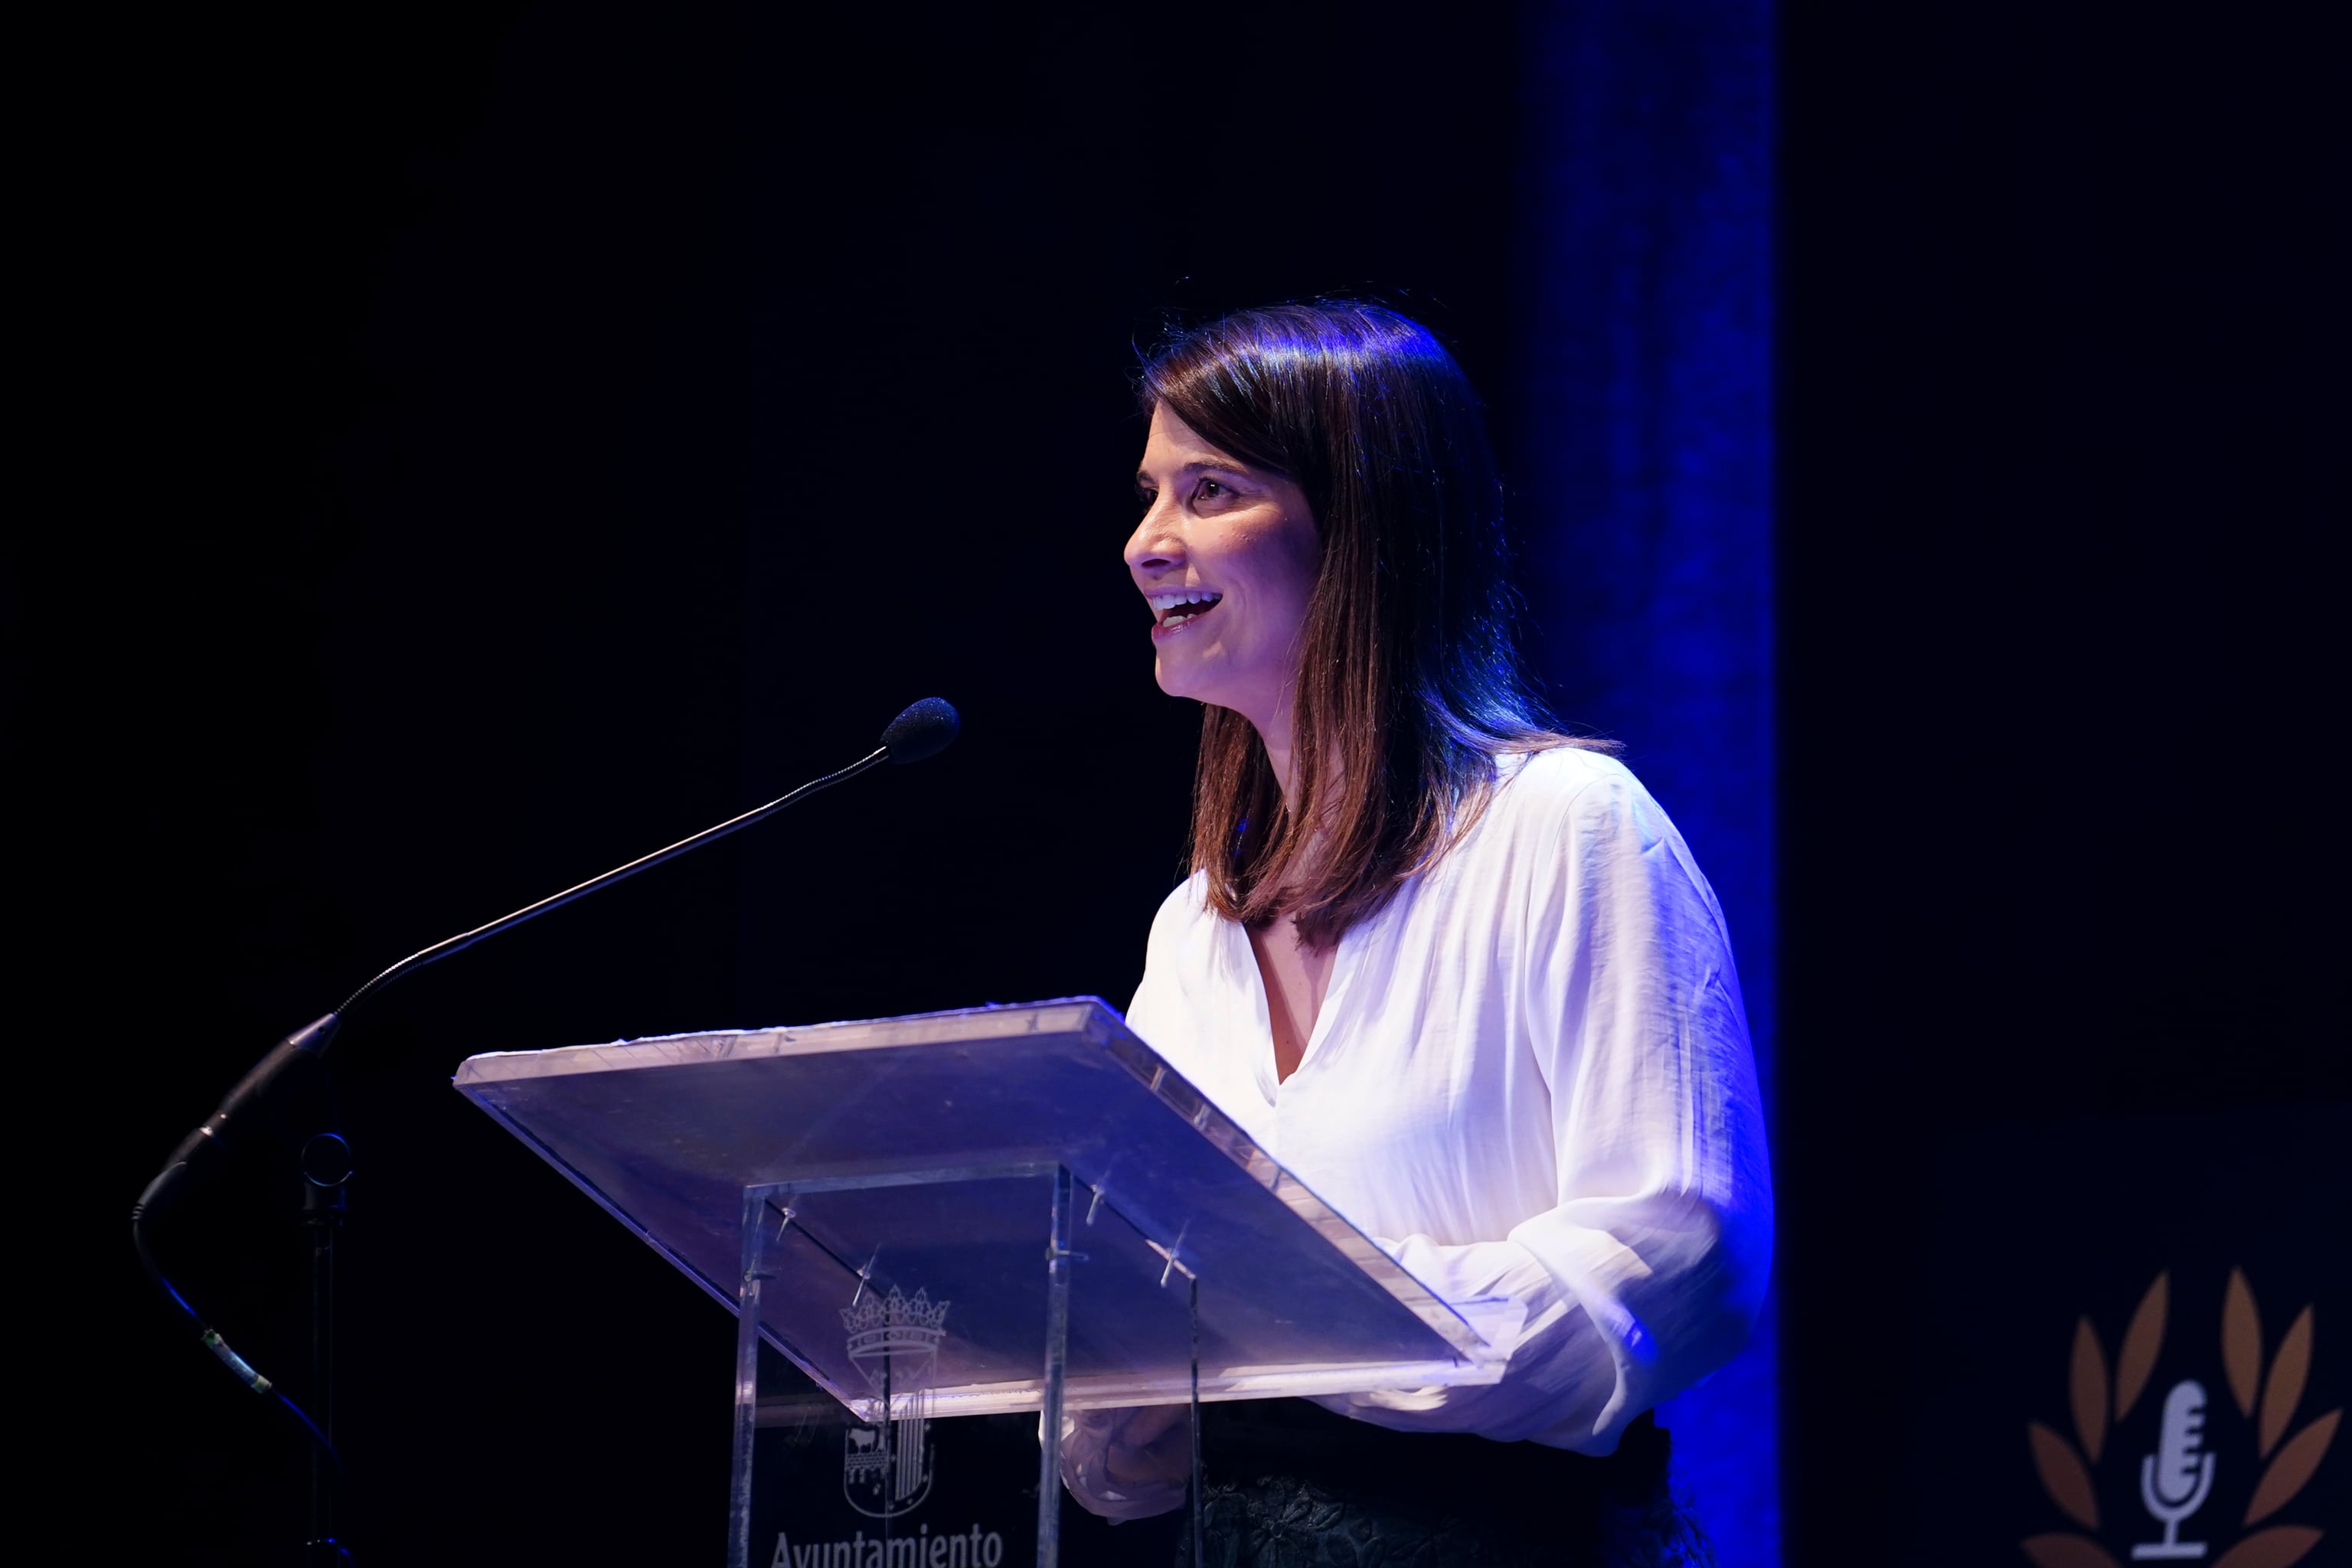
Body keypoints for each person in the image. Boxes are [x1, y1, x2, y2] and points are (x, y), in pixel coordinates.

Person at [1062, 302, 1772, 1566]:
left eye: (1209, 490)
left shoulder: (1568, 830)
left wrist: (1302, 1326)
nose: (1143, 545)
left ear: (1362, 527)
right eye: (1150, 492)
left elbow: (1680, 1251)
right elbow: (1147, 1340)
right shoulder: (1195, 933)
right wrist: (1109, 1397)